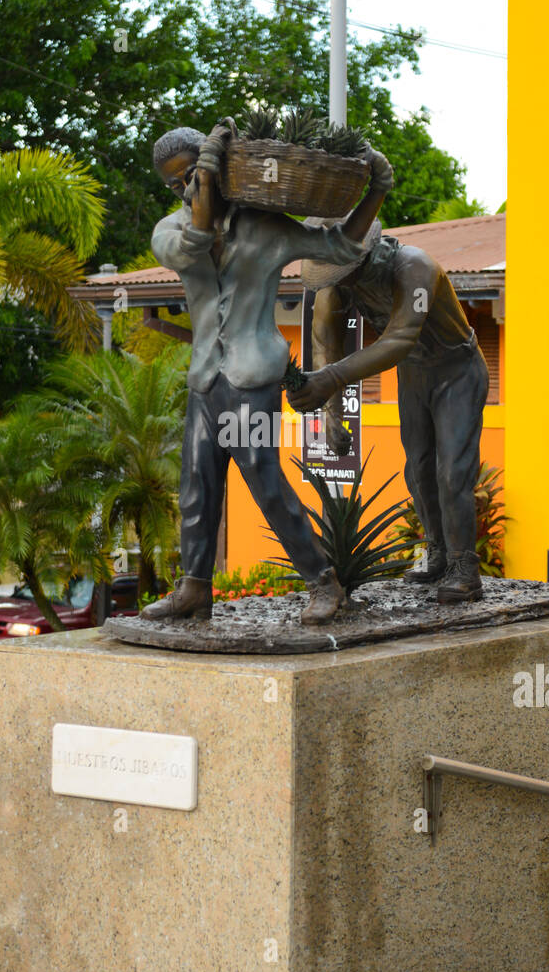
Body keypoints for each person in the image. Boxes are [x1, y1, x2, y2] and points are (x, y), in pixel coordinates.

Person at [140, 123, 394, 625]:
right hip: (204, 382)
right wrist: (203, 195)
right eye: (176, 184)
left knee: (265, 481)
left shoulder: (265, 226)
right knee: (195, 485)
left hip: (251, 380)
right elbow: (190, 245)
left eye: (193, 174)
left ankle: (324, 583)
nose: (186, 187)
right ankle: (194, 588)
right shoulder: (169, 231)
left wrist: (377, 191)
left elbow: (341, 247)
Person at [288, 224, 489, 603]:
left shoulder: (415, 267)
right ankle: (439, 553)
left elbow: (399, 339)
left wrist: (329, 380)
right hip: (414, 373)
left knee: (452, 473)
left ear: (364, 259)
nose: (340, 283)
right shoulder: (340, 282)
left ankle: (465, 568)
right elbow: (324, 339)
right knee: (417, 471)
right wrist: (332, 415)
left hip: (457, 370)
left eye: (345, 275)